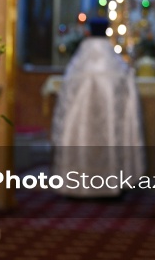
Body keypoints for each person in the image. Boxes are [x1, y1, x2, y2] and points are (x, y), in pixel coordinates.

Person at [51, 17, 145, 198]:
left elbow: (66, 97)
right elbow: (128, 97)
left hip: (81, 128)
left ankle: (75, 186)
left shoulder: (80, 61)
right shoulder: (115, 62)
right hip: (109, 126)